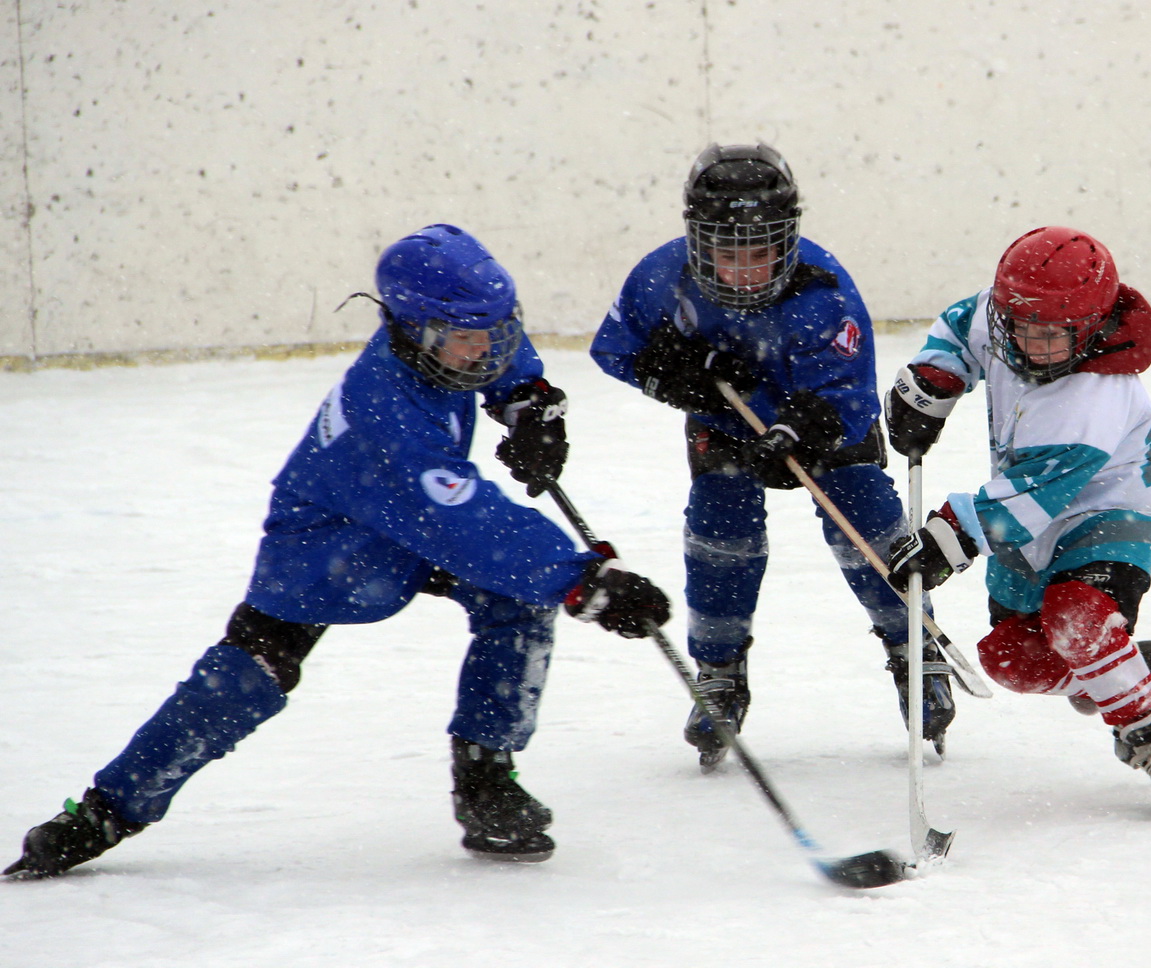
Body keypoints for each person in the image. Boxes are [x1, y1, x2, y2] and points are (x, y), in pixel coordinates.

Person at [4, 224, 670, 877]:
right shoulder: (384, 411)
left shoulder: (447, 340)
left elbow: (499, 348)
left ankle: (485, 781)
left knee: (517, 599)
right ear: (413, 330)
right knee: (250, 676)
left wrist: (527, 399)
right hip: (331, 540)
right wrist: (585, 583)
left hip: (414, 521)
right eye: (465, 340)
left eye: (491, 333)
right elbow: (467, 521)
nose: (483, 351)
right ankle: (106, 810)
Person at [589, 142, 954, 771]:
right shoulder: (659, 278)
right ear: (698, 241)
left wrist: (796, 428)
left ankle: (915, 650)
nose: (747, 271)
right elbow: (615, 350)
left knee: (864, 517)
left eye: (762, 252)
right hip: (725, 424)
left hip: (817, 423)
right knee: (719, 521)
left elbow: (849, 399)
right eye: (729, 255)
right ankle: (720, 670)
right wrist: (678, 378)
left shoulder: (826, 288)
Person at [883, 226, 1151, 819]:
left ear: (1089, 328)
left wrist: (947, 538)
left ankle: (1150, 732)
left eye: (1054, 336)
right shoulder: (1007, 316)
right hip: (1025, 525)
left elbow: (1026, 499)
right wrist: (934, 381)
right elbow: (965, 326)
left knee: (1076, 617)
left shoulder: (1095, 395)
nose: (1034, 346)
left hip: (1106, 513)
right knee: (1011, 658)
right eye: (1024, 329)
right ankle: (1135, 670)